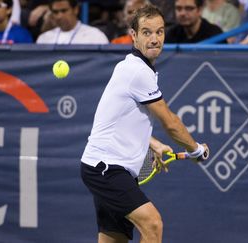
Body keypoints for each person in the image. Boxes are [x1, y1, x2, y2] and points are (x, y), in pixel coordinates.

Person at [80, 4, 209, 243]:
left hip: (106, 168)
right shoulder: (136, 71)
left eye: (159, 32)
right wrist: (196, 150)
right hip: (107, 168)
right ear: (134, 36)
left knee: (113, 238)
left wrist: (154, 144)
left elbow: (118, 120)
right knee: (152, 223)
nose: (154, 39)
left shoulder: (134, 69)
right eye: (147, 32)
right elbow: (170, 122)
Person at [36, 0, 109, 44]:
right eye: (55, 12)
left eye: (64, 11)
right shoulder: (44, 38)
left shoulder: (95, 35)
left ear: (75, 10)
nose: (59, 16)